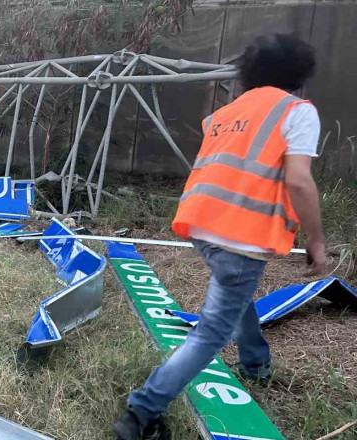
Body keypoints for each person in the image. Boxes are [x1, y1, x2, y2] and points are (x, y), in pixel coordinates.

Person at [114, 33, 327, 439]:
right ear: (299, 73)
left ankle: (255, 365)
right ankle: (141, 413)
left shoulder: (228, 111)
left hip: (201, 224)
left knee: (236, 293)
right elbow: (299, 181)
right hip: (239, 234)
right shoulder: (297, 112)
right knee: (212, 332)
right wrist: (316, 240)